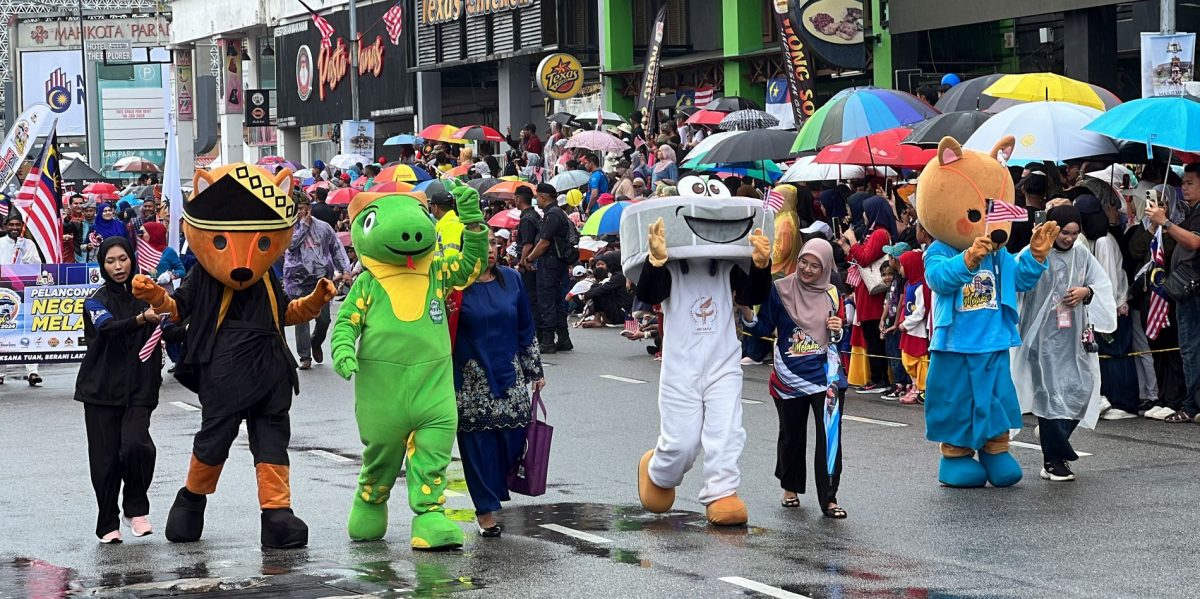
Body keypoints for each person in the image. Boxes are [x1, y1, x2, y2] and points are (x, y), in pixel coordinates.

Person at [76, 237, 176, 543]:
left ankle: (135, 508)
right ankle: (107, 522)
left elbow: (170, 323)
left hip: (140, 387)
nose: (118, 266)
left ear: (131, 259)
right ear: (102, 265)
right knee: (105, 461)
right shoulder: (96, 301)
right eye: (110, 261)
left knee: (136, 446)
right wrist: (140, 319)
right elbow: (107, 328)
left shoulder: (148, 295)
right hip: (100, 390)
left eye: (123, 259)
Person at [739, 238, 847, 517]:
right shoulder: (780, 289)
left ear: (825, 268)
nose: (808, 269)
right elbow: (763, 326)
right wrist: (745, 309)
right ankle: (790, 487)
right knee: (791, 436)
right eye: (803, 262)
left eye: (815, 265)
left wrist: (837, 327)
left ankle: (829, 499)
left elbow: (838, 336)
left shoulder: (833, 293)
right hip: (789, 376)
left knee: (830, 438)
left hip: (827, 376)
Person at [453, 230, 545, 538]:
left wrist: (535, 370)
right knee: (477, 445)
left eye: (494, 242)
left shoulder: (512, 279)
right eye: (483, 243)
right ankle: (485, 511)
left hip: (510, 374)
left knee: (514, 438)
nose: (490, 249)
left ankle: (495, 488)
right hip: (470, 380)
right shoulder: (454, 286)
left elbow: (525, 326)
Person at [1013, 205, 1116, 481]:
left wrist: (1086, 291)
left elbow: (1102, 284)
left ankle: (1052, 433)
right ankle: (1054, 460)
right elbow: (1017, 282)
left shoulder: (1082, 253)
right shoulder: (1034, 253)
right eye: (1065, 233)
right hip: (1041, 338)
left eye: (1075, 233)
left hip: (1073, 337)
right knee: (1048, 395)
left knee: (1082, 388)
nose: (1069, 239)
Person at [1148, 163, 1200, 423]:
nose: (1184, 187)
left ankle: (1191, 406)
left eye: (1190, 182)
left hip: (1193, 289)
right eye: (1183, 182)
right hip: (1187, 290)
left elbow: (1194, 242)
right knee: (1191, 349)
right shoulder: (1192, 211)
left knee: (1191, 349)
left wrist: (1165, 222)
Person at [285, 197, 351, 369]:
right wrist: (304, 226)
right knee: (302, 319)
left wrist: (345, 271)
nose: (300, 212)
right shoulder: (289, 227)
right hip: (297, 281)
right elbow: (291, 246)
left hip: (319, 280)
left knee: (324, 320)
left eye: (303, 208)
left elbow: (336, 248)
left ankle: (316, 342)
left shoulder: (323, 227)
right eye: (297, 208)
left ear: (309, 209)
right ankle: (304, 357)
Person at [840, 196, 894, 392]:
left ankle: (879, 378)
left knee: (874, 337)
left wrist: (853, 240)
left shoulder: (879, 234)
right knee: (871, 336)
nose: (863, 214)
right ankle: (876, 377)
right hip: (866, 293)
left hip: (873, 296)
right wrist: (848, 246)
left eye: (865, 210)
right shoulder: (874, 233)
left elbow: (864, 258)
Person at [524, 183, 575, 354]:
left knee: (547, 300)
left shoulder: (552, 215)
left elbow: (544, 242)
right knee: (558, 300)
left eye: (537, 197)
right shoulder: (558, 213)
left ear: (543, 197)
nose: (536, 200)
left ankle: (547, 340)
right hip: (558, 263)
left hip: (550, 262)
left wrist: (529, 258)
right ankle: (563, 337)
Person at [0, 213, 41, 386]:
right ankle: (1, 372)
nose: (15, 228)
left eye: (18, 225)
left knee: (27, 331)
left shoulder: (28, 244)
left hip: (24, 291)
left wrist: (25, 254)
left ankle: (33, 372)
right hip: (3, 293)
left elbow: (37, 265)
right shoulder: (1, 243)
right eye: (12, 225)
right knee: (3, 332)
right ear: (5, 226)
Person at [897, 250, 930, 405]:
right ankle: (914, 385)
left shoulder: (921, 287)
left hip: (917, 330)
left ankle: (921, 388)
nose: (900, 269)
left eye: (903, 265)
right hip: (908, 330)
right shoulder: (908, 284)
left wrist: (906, 324)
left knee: (919, 360)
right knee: (907, 359)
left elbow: (921, 312)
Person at [578, 251, 631, 328]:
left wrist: (586, 295)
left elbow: (603, 288)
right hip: (621, 309)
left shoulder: (620, 276)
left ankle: (600, 319)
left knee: (598, 291)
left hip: (625, 313)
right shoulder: (618, 274)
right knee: (596, 287)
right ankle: (599, 319)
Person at [514, 186, 542, 316]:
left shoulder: (527, 219)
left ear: (518, 199)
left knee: (531, 298)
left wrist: (522, 263)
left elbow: (528, 244)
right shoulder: (534, 215)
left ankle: (535, 329)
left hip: (529, 265)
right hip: (534, 263)